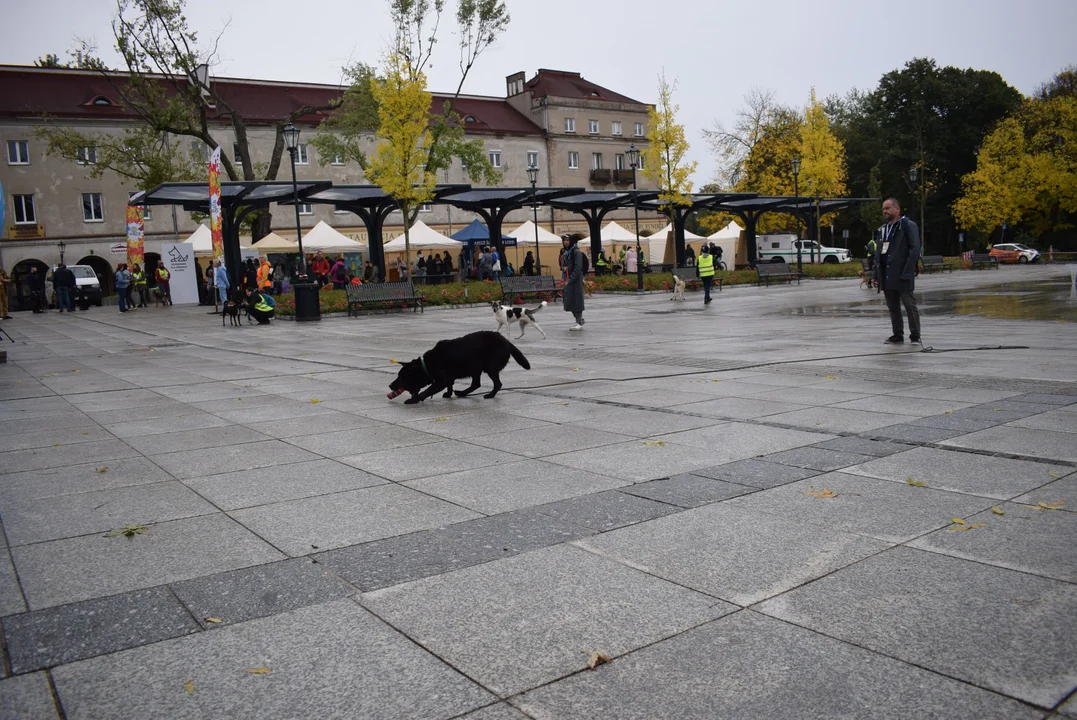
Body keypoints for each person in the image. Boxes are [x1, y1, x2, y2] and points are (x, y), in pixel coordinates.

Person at [873, 197, 921, 344]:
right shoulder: (883, 229)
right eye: (883, 209)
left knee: (909, 305)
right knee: (893, 307)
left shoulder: (907, 225)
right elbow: (879, 253)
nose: (885, 211)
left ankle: (915, 335)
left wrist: (907, 271)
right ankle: (897, 334)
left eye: (887, 208)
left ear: (897, 209)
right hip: (887, 274)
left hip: (902, 274)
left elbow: (914, 250)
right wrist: (876, 275)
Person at [561, 234, 586, 331]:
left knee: (576, 300)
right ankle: (579, 319)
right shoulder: (566, 253)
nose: (566, 242)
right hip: (568, 279)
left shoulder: (576, 252)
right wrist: (564, 268)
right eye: (564, 240)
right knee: (569, 301)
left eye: (567, 240)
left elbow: (578, 267)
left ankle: (578, 322)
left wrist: (570, 280)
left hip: (575, 280)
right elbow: (563, 266)